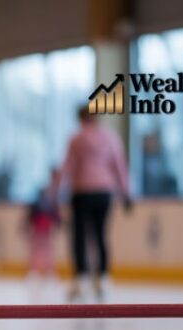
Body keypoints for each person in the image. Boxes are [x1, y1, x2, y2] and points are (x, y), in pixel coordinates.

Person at [56, 106, 132, 300]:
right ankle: (103, 278)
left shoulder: (76, 138)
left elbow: (67, 166)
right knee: (100, 234)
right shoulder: (110, 138)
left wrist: (55, 190)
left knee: (79, 236)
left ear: (80, 118)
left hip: (82, 192)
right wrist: (126, 193)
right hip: (104, 192)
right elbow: (119, 165)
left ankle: (81, 278)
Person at [25, 169, 62, 280]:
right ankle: (34, 271)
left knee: (48, 249)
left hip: (47, 227)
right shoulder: (39, 196)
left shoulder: (53, 197)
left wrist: (58, 221)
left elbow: (55, 213)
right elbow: (32, 211)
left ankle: (49, 271)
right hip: (38, 226)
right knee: (37, 248)